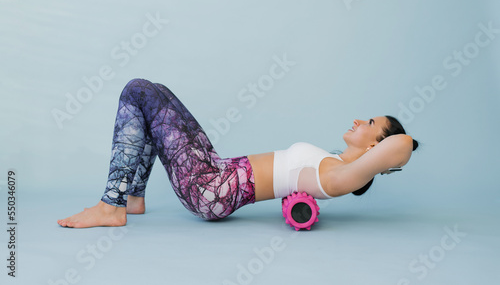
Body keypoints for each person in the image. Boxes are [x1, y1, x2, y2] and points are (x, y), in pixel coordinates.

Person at [57, 78, 418, 228]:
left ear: (375, 145)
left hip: (211, 189)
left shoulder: (339, 178)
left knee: (137, 91)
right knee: (155, 93)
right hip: (216, 169)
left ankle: (111, 205)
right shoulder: (335, 163)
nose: (358, 120)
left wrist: (400, 147)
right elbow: (391, 146)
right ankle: (132, 198)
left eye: (369, 122)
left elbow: (401, 145)